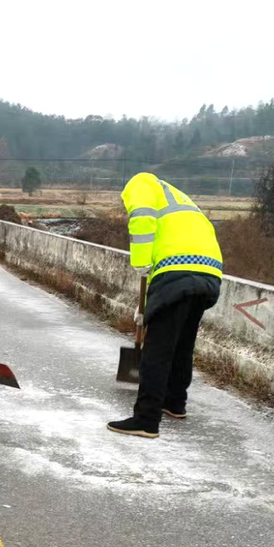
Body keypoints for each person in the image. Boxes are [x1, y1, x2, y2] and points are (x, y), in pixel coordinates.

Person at [107, 172, 222, 439]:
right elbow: (173, 242)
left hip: (176, 270)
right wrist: (147, 305)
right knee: (182, 343)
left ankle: (146, 420)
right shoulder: (177, 197)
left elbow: (142, 219)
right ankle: (175, 402)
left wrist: (140, 262)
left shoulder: (140, 183)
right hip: (209, 272)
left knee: (157, 349)